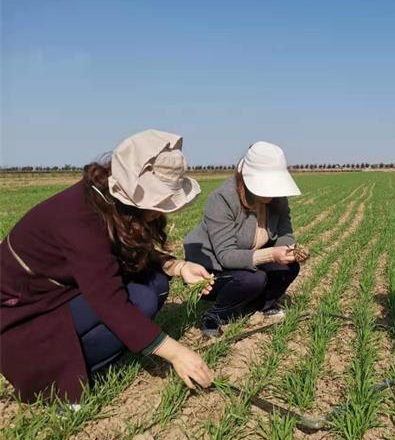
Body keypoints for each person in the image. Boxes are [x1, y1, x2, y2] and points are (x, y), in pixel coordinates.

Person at [0, 130, 215, 404]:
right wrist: (176, 353)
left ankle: (109, 350)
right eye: (159, 200)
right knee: (141, 299)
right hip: (23, 315)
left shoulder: (108, 201)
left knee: (156, 284)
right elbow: (108, 302)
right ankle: (57, 379)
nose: (161, 210)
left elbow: (128, 253)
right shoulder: (80, 219)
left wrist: (176, 266)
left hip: (62, 292)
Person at [184, 141, 303, 337]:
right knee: (253, 279)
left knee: (289, 267)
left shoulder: (278, 199)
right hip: (213, 270)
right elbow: (226, 256)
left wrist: (290, 251)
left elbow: (285, 234)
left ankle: (262, 304)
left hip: (248, 259)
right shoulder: (223, 198)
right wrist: (272, 254)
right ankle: (215, 315)